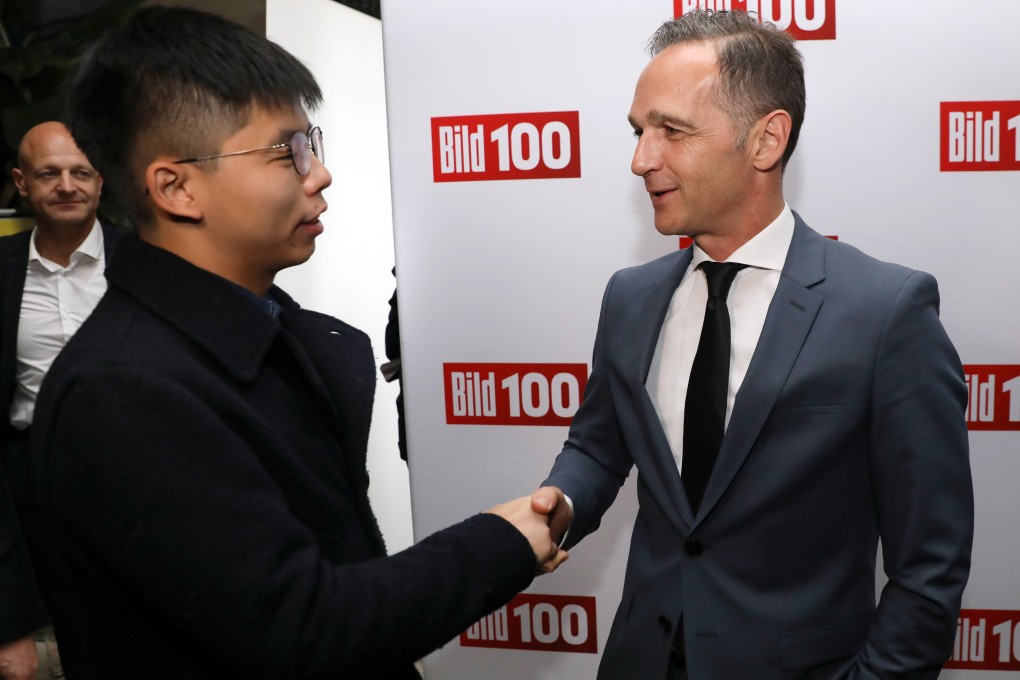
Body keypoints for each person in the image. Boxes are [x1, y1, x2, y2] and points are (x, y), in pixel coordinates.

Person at [27, 7, 564, 680]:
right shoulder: (123, 392)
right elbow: (306, 628)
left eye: (312, 142)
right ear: (176, 187)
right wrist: (501, 543)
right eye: (287, 152)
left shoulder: (269, 336)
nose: (319, 173)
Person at [532, 10, 973, 679]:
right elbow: (598, 446)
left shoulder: (887, 312)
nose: (640, 160)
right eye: (638, 131)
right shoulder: (630, 296)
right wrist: (558, 506)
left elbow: (930, 566)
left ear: (766, 141)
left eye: (671, 131)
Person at [0, 121, 121, 680]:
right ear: (22, 183)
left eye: (80, 172)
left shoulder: (148, 260)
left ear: (101, 180)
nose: (66, 185)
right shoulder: (1, 271)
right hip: (31, 492)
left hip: (141, 478)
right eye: (49, 173)